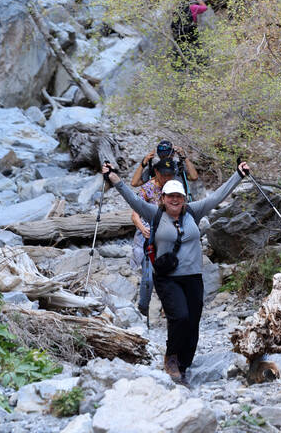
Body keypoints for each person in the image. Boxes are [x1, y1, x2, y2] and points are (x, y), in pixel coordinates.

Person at [102, 157, 251, 384]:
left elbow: (218, 196)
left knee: (193, 320)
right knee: (179, 317)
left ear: (184, 199)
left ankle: (184, 363)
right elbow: (132, 198)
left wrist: (238, 175)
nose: (174, 199)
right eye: (170, 196)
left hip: (193, 277)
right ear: (163, 198)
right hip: (167, 277)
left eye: (178, 196)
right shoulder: (155, 214)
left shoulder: (194, 211)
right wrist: (113, 178)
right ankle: (171, 358)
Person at [130, 140, 199, 190]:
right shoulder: (155, 169)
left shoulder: (179, 167)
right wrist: (143, 163)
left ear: (173, 154)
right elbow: (134, 183)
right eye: (162, 156)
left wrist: (184, 158)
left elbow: (194, 177)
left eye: (167, 155)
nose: (165, 158)